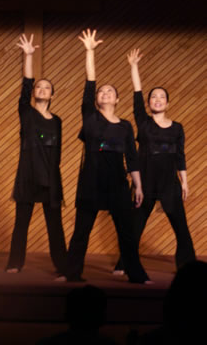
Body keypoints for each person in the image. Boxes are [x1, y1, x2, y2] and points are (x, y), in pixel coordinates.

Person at [63, 29, 151, 284]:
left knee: (126, 233)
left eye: (110, 91)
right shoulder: (90, 117)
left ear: (117, 99)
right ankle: (71, 274)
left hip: (117, 186)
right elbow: (89, 83)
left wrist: (138, 185)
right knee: (81, 232)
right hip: (90, 183)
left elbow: (132, 158)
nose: (104, 93)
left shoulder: (125, 126)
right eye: (101, 92)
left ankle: (136, 274)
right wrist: (90, 51)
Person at [113, 49, 195, 275]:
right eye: (153, 97)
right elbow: (137, 94)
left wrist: (184, 182)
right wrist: (133, 67)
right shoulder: (143, 122)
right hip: (146, 182)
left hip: (169, 183)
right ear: (149, 103)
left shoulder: (177, 128)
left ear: (167, 103)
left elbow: (180, 155)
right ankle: (124, 263)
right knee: (135, 226)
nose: (157, 100)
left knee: (181, 228)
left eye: (161, 97)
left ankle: (187, 267)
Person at [6, 34, 67, 276]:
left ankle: (62, 266)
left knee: (55, 226)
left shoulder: (57, 121)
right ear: (34, 93)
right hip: (28, 176)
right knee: (21, 224)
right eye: (38, 87)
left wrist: (55, 181)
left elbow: (58, 154)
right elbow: (25, 86)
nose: (42, 89)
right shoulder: (27, 113)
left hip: (50, 179)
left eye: (47, 88)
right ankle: (14, 263)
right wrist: (29, 55)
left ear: (52, 95)